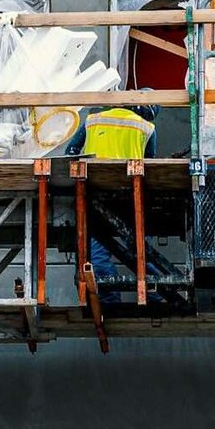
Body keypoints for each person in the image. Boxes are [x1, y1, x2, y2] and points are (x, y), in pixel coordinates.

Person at [65, 101, 159, 302]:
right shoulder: (147, 128)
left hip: (94, 195)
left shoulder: (92, 120)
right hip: (129, 197)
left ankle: (108, 300)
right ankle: (157, 295)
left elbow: (71, 152)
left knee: (97, 249)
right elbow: (150, 163)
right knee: (141, 249)